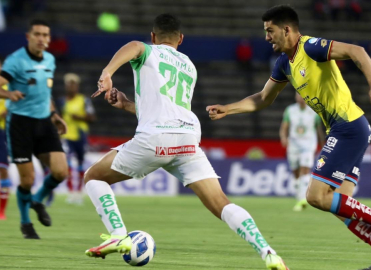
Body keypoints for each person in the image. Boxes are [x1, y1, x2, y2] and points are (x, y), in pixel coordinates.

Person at [83, 14, 289, 270]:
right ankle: (268, 253)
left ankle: (117, 235)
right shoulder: (189, 65)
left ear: (152, 37)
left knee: (93, 177)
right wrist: (126, 104)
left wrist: (107, 72)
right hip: (187, 138)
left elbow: (134, 47)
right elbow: (166, 109)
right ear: (181, 39)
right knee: (222, 203)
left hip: (155, 138)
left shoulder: (147, 50)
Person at [207, 5, 371, 270]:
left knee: (315, 196)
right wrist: (228, 109)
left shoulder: (311, 47)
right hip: (353, 128)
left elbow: (357, 52)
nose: (267, 37)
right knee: (340, 205)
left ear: (286, 30)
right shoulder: (283, 64)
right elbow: (263, 98)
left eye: (270, 31)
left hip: (348, 126)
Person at [0, 19, 68, 239]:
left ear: (49, 39)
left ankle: (37, 200)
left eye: (45, 35)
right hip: (20, 124)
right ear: (28, 37)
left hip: (44, 122)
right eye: (37, 34)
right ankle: (25, 222)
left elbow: (44, 93)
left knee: (60, 171)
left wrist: (55, 115)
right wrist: (9, 94)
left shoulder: (49, 59)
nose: (41, 39)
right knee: (27, 180)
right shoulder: (15, 61)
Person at [280, 93, 324, 211]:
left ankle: (302, 199)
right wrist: (283, 137)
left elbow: (319, 130)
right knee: (295, 174)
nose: (300, 98)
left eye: (303, 96)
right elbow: (284, 127)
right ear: (295, 97)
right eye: (298, 96)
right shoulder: (290, 110)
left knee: (304, 170)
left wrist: (322, 144)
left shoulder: (314, 111)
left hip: (308, 145)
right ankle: (299, 196)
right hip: (293, 145)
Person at [60, 73, 95, 205]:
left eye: (73, 84)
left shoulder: (84, 100)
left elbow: (92, 118)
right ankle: (71, 192)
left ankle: (79, 192)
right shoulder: (62, 101)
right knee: (67, 164)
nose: (71, 86)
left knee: (80, 164)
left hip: (81, 135)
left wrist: (79, 117)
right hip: (67, 136)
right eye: (69, 84)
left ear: (77, 86)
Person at [0, 58, 11, 220]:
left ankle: (1, 211)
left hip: (2, 132)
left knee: (3, 169)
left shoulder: (8, 89)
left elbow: (11, 109)